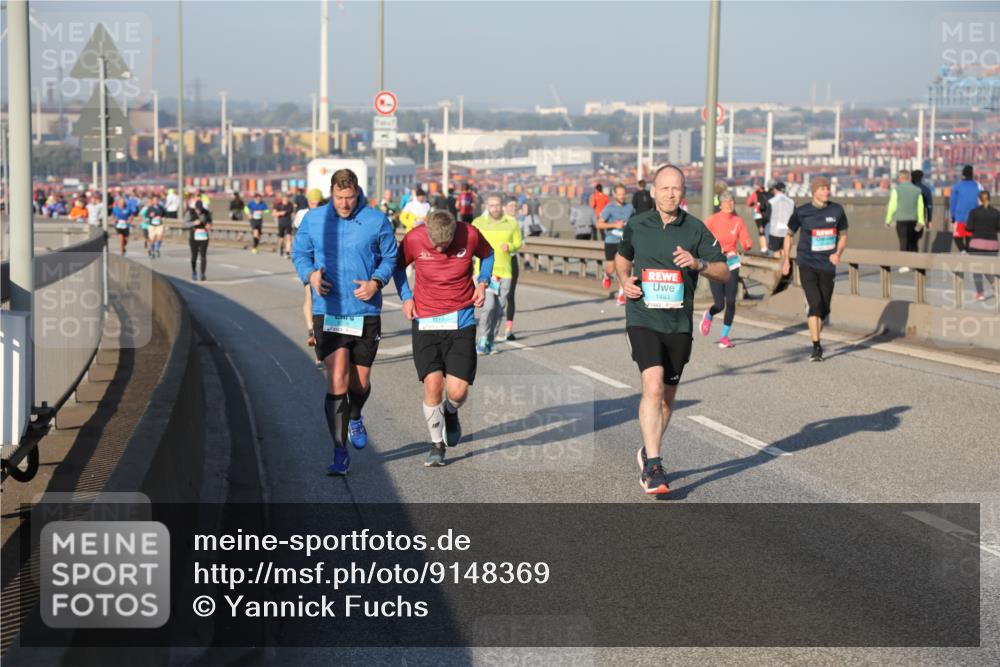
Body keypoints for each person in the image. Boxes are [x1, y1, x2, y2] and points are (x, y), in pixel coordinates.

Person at [615, 164, 728, 495]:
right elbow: (622, 259)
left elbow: (723, 271)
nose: (670, 194)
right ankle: (654, 466)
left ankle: (647, 451)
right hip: (642, 317)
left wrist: (698, 264)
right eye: (664, 188)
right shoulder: (637, 224)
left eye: (676, 188)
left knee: (666, 397)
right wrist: (625, 281)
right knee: (651, 386)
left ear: (683, 192)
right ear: (653, 191)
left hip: (678, 323)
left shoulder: (695, 230)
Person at [292, 169, 397, 475]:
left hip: (365, 311)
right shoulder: (314, 219)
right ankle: (340, 453)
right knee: (337, 378)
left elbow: (390, 257)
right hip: (329, 309)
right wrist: (310, 275)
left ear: (357, 192)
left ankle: (355, 416)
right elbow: (300, 254)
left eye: (350, 197)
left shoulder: (376, 220)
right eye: (339, 198)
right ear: (331, 194)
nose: (345, 204)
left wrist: (376, 283)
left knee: (359, 382)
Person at [392, 210, 494, 466]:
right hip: (425, 319)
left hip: (461, 319)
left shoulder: (469, 234)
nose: (440, 250)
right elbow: (397, 266)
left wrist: (482, 282)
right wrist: (406, 296)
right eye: (435, 246)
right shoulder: (415, 238)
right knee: (433, 385)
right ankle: (437, 445)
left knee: (457, 391)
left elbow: (489, 254)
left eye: (446, 245)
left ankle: (450, 411)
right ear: (427, 232)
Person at [781, 176, 848, 362]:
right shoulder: (802, 212)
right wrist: (786, 259)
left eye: (828, 188)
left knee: (824, 309)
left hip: (827, 265)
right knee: (815, 305)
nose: (826, 191)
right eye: (822, 188)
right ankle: (817, 347)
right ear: (814, 192)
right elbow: (788, 235)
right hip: (807, 263)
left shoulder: (837, 210)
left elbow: (843, 235)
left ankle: (815, 316)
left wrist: (838, 253)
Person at [700, 191, 752, 348]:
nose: (729, 204)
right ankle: (709, 314)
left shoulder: (738, 221)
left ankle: (724, 337)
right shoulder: (712, 220)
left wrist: (747, 243)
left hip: (732, 263)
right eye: (726, 201)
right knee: (719, 304)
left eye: (732, 201)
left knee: (730, 301)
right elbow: (700, 237)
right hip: (715, 264)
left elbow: (745, 239)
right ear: (720, 204)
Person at [472, 193, 522, 355]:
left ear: (502, 206)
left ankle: (491, 341)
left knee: (499, 309)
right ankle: (482, 339)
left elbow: (518, 243)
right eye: (491, 205)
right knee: (489, 306)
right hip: (485, 273)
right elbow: (471, 243)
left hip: (505, 272)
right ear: (487, 206)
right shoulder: (478, 223)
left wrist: (510, 246)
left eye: (497, 205)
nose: (495, 208)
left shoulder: (512, 223)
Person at [296, 188, 327, 370]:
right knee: (310, 298)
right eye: (312, 201)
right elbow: (299, 240)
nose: (314, 204)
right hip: (310, 267)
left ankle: (317, 334)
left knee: (319, 303)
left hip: (323, 266)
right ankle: (312, 331)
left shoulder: (328, 218)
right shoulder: (303, 216)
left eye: (317, 201)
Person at [597, 184, 635, 305]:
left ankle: (621, 295)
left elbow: (634, 222)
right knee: (612, 268)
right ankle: (607, 275)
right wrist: (614, 225)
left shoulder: (630, 208)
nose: (622, 196)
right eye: (619, 194)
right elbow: (599, 225)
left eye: (624, 194)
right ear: (614, 195)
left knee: (624, 269)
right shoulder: (609, 208)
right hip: (611, 241)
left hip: (624, 242)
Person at [884, 168, 925, 271]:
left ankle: (905, 264)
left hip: (901, 220)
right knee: (913, 241)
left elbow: (892, 206)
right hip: (914, 220)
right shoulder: (917, 190)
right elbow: (920, 206)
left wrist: (888, 220)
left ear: (900, 178)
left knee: (903, 241)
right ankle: (915, 263)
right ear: (909, 178)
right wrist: (921, 220)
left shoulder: (897, 190)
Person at [966, 190, 999, 301]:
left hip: (977, 244)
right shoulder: (996, 212)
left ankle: (980, 293)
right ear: (989, 199)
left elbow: (969, 228)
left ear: (979, 199)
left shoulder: (974, 212)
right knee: (991, 268)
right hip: (992, 245)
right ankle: (996, 283)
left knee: (977, 268)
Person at [500, 197, 526, 341]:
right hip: (499, 262)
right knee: (498, 295)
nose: (513, 208)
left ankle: (508, 330)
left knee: (510, 295)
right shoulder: (499, 223)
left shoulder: (518, 222)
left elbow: (521, 242)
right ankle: (492, 325)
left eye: (514, 206)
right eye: (510, 206)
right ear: (504, 207)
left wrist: (511, 246)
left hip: (512, 259)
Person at [949, 165, 981, 254]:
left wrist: (952, 216)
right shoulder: (978, 186)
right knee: (969, 240)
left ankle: (963, 252)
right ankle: (968, 255)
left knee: (957, 237)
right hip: (973, 219)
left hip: (960, 218)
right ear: (972, 174)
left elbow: (952, 203)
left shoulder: (957, 187)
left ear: (963, 174)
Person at [766, 181, 794, 259]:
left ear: (775, 189)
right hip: (788, 230)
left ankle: (778, 269)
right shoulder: (791, 202)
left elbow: (767, 216)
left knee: (776, 251)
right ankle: (785, 268)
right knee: (786, 252)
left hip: (775, 231)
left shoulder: (771, 201)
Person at [185, 200, 212, 281]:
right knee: (194, 256)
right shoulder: (190, 213)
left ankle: (202, 274)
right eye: (197, 209)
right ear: (195, 208)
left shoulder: (206, 213)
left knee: (203, 255)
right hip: (194, 236)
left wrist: (209, 225)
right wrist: (193, 223)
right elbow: (184, 224)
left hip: (204, 236)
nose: (199, 211)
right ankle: (194, 272)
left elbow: (210, 221)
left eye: (200, 209)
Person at [912, 170, 934, 245]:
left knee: (907, 238)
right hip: (920, 219)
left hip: (907, 218)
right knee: (916, 238)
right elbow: (929, 206)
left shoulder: (908, 189)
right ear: (921, 177)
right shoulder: (926, 190)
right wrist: (929, 220)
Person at [746, 181, 769, 253]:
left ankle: (764, 248)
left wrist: (754, 203)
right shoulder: (767, 193)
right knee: (767, 230)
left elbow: (748, 203)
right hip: (767, 214)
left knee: (761, 231)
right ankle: (768, 247)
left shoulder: (755, 193)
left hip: (758, 214)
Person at [144, 194, 167, 259]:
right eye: (154, 200)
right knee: (152, 239)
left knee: (160, 236)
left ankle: (157, 249)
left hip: (159, 224)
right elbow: (146, 217)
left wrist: (163, 217)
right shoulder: (150, 208)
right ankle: (151, 249)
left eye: (157, 200)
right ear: (152, 201)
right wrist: (150, 216)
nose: (156, 201)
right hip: (152, 225)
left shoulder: (161, 207)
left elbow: (164, 214)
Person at [273, 192, 295, 258]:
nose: (286, 199)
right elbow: (274, 214)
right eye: (284, 197)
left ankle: (288, 252)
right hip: (281, 223)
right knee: (281, 238)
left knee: (289, 237)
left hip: (288, 223)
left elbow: (293, 213)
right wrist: (280, 213)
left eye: (287, 197)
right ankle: (281, 248)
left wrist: (294, 221)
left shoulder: (290, 204)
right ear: (282, 198)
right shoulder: (278, 205)